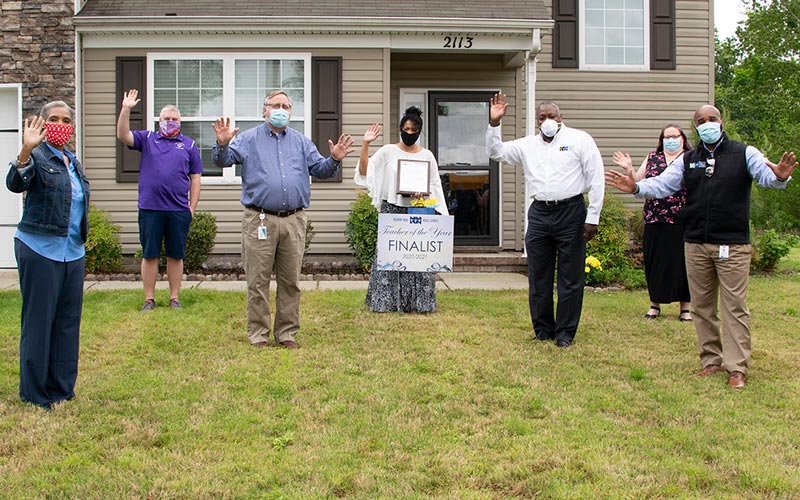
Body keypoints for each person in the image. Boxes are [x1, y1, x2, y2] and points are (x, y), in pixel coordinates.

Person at [606, 104, 797, 388]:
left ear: (720, 122)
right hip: (695, 243)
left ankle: (736, 368)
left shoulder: (744, 153)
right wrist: (636, 187)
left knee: (734, 307)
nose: (707, 124)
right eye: (701, 121)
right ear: (695, 128)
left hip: (732, 244)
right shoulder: (688, 160)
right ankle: (711, 361)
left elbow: (768, 177)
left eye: (712, 119)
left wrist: (780, 175)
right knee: (702, 307)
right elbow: (661, 185)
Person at [212, 90, 354, 348]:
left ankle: (287, 333)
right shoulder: (248, 139)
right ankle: (259, 334)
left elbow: (320, 170)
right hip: (259, 219)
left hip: (293, 221)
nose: (281, 110)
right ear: (264, 110)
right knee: (258, 281)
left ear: (290, 111)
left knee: (291, 281)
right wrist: (222, 144)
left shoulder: (301, 142)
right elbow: (224, 161)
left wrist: (334, 159)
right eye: (276, 105)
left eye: (286, 106)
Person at [486, 95, 605, 348]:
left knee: (570, 277)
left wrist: (592, 216)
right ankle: (543, 330)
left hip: (571, 211)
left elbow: (596, 178)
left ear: (561, 118)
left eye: (552, 116)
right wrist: (494, 124)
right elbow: (496, 152)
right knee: (538, 275)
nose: (548, 121)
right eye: (543, 117)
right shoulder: (528, 145)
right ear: (536, 121)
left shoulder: (580, 140)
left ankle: (565, 334)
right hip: (539, 212)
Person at [6, 101, 90, 410]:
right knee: (39, 322)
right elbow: (15, 184)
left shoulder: (72, 160)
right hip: (39, 249)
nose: (60, 123)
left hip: (72, 252)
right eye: (53, 118)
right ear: (42, 123)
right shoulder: (37, 157)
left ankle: (61, 389)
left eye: (66, 119)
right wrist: (25, 152)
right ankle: (35, 394)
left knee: (67, 322)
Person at [354, 107, 449, 313]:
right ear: (400, 129)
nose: (409, 133)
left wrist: (424, 197)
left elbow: (435, 190)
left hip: (418, 210)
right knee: (389, 257)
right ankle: (385, 302)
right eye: (405, 128)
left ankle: (419, 303)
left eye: (413, 129)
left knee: (418, 257)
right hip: (392, 210)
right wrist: (365, 144)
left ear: (419, 131)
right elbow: (364, 172)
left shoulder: (427, 156)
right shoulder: (388, 151)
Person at [117, 89, 203, 311]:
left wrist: (191, 207)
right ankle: (149, 299)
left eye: (174, 119)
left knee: (176, 254)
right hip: (150, 208)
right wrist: (125, 109)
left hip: (178, 210)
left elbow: (195, 178)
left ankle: (174, 298)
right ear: (159, 121)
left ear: (180, 122)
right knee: (150, 254)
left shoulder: (189, 145)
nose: (170, 122)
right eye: (166, 119)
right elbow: (123, 135)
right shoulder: (147, 139)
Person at [612, 124, 692, 321]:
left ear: (682, 138)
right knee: (655, 260)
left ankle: (685, 308)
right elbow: (637, 182)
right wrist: (629, 169)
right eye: (667, 136)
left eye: (675, 136)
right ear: (661, 140)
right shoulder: (652, 158)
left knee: (682, 263)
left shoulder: (689, 159)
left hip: (682, 218)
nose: (671, 139)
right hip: (655, 217)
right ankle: (654, 304)